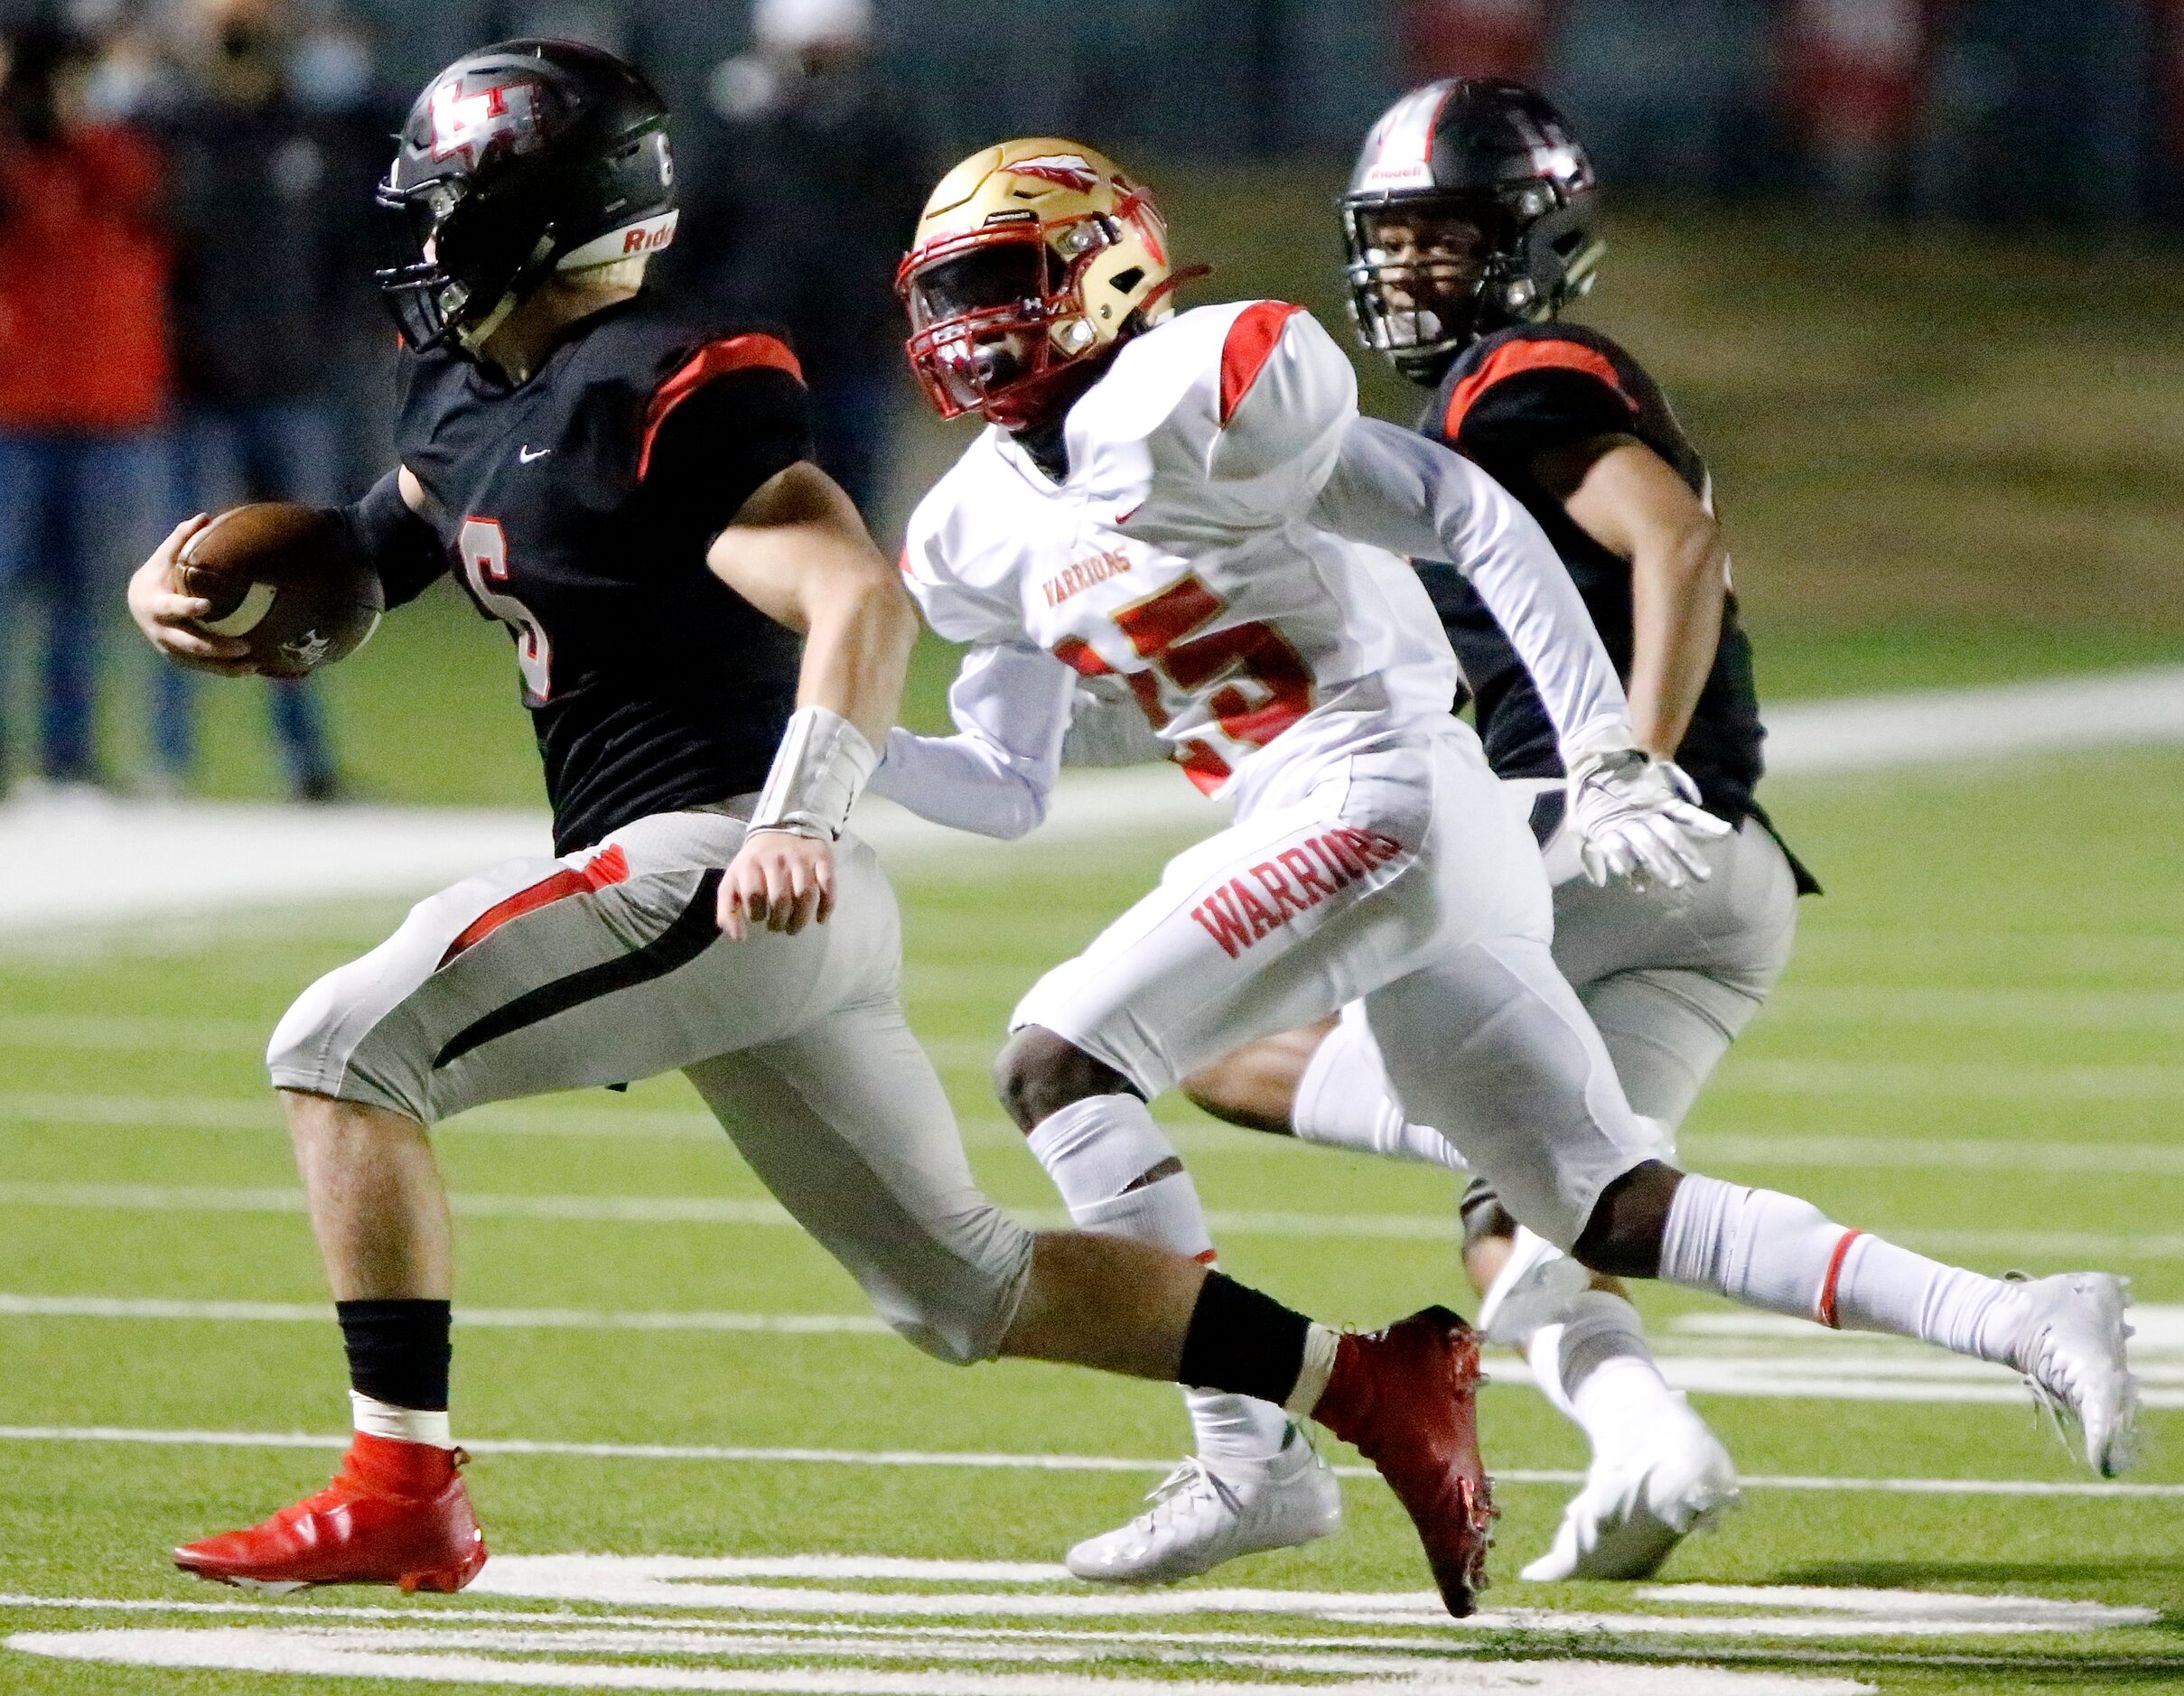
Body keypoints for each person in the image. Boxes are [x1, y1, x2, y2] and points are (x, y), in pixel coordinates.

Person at [123, 42, 1498, 1617]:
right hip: (751, 907)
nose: (421, 238)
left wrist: (799, 810)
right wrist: (197, 588)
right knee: (961, 1285)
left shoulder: (659, 379)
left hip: (722, 863)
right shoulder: (469, 390)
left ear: (529, 211)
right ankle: (1373, 1380)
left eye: (448, 205)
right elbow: (395, 543)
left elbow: (852, 592)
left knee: (343, 1038)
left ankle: (400, 1491)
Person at [869, 135, 2138, 1589]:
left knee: (1058, 1057)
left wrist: (1602, 742)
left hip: (1379, 790)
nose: (966, 320)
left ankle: (1247, 1460)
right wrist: (826, 758)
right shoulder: (971, 525)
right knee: (1600, 1204)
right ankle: (2024, 1316)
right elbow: (1006, 787)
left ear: (1105, 264)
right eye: (945, 290)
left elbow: (1469, 513)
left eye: (998, 279)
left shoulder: (1205, 381)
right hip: (1380, 832)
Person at [1171, 78, 1815, 1583]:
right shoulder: (1471, 400)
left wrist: (1623, 761)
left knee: (1199, 1029)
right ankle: (1649, 1436)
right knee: (1538, 1200)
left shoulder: (1518, 373)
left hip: (1584, 831)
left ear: (1536, 235)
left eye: (1445, 236)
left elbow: (1674, 539)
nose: (1408, 270)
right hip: (1723, 874)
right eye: (1392, 238)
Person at [145, 0, 383, 800]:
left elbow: (350, 249)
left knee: (304, 578)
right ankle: (168, 763)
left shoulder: (309, 135)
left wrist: (324, 337)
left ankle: (305, 761)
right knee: (187, 577)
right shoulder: (176, 137)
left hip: (291, 385)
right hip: (199, 390)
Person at [669, 0, 931, 520]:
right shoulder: (733, 129)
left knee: (848, 506)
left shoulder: (882, 127)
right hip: (754, 349)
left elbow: (912, 229)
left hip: (851, 353)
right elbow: (694, 235)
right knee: (753, 507)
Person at [0, 23, 169, 798]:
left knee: (80, 597)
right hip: (16, 409)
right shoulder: (17, 160)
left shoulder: (115, 156)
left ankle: (68, 760)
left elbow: (146, 197)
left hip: (106, 409)